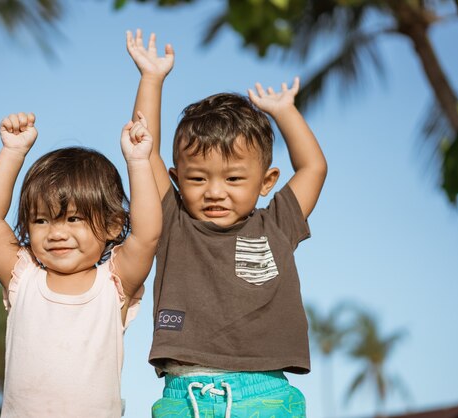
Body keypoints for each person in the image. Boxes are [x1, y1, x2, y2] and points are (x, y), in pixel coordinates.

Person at [126, 29, 327, 418]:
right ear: (177, 178)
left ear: (267, 182)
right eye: (198, 178)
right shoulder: (172, 220)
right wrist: (151, 79)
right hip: (183, 397)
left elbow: (313, 167)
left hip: (265, 395)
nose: (215, 191)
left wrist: (284, 111)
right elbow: (143, 148)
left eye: (233, 179)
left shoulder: (278, 224)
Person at [0, 111, 161, 417]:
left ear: (114, 225)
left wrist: (138, 163)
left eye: (73, 218)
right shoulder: (23, 279)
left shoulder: (114, 283)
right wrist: (12, 152)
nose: (57, 233)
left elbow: (147, 235)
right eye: (41, 220)